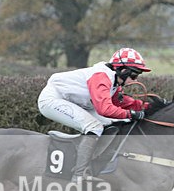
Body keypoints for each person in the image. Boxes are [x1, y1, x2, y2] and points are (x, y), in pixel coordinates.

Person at [37, 47, 153, 180]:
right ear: (123, 70)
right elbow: (104, 109)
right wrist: (131, 114)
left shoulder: (114, 79)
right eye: (134, 75)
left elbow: (119, 102)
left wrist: (149, 106)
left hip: (76, 102)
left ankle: (93, 163)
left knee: (113, 123)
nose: (135, 79)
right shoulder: (102, 77)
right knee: (94, 127)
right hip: (53, 100)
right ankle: (79, 174)